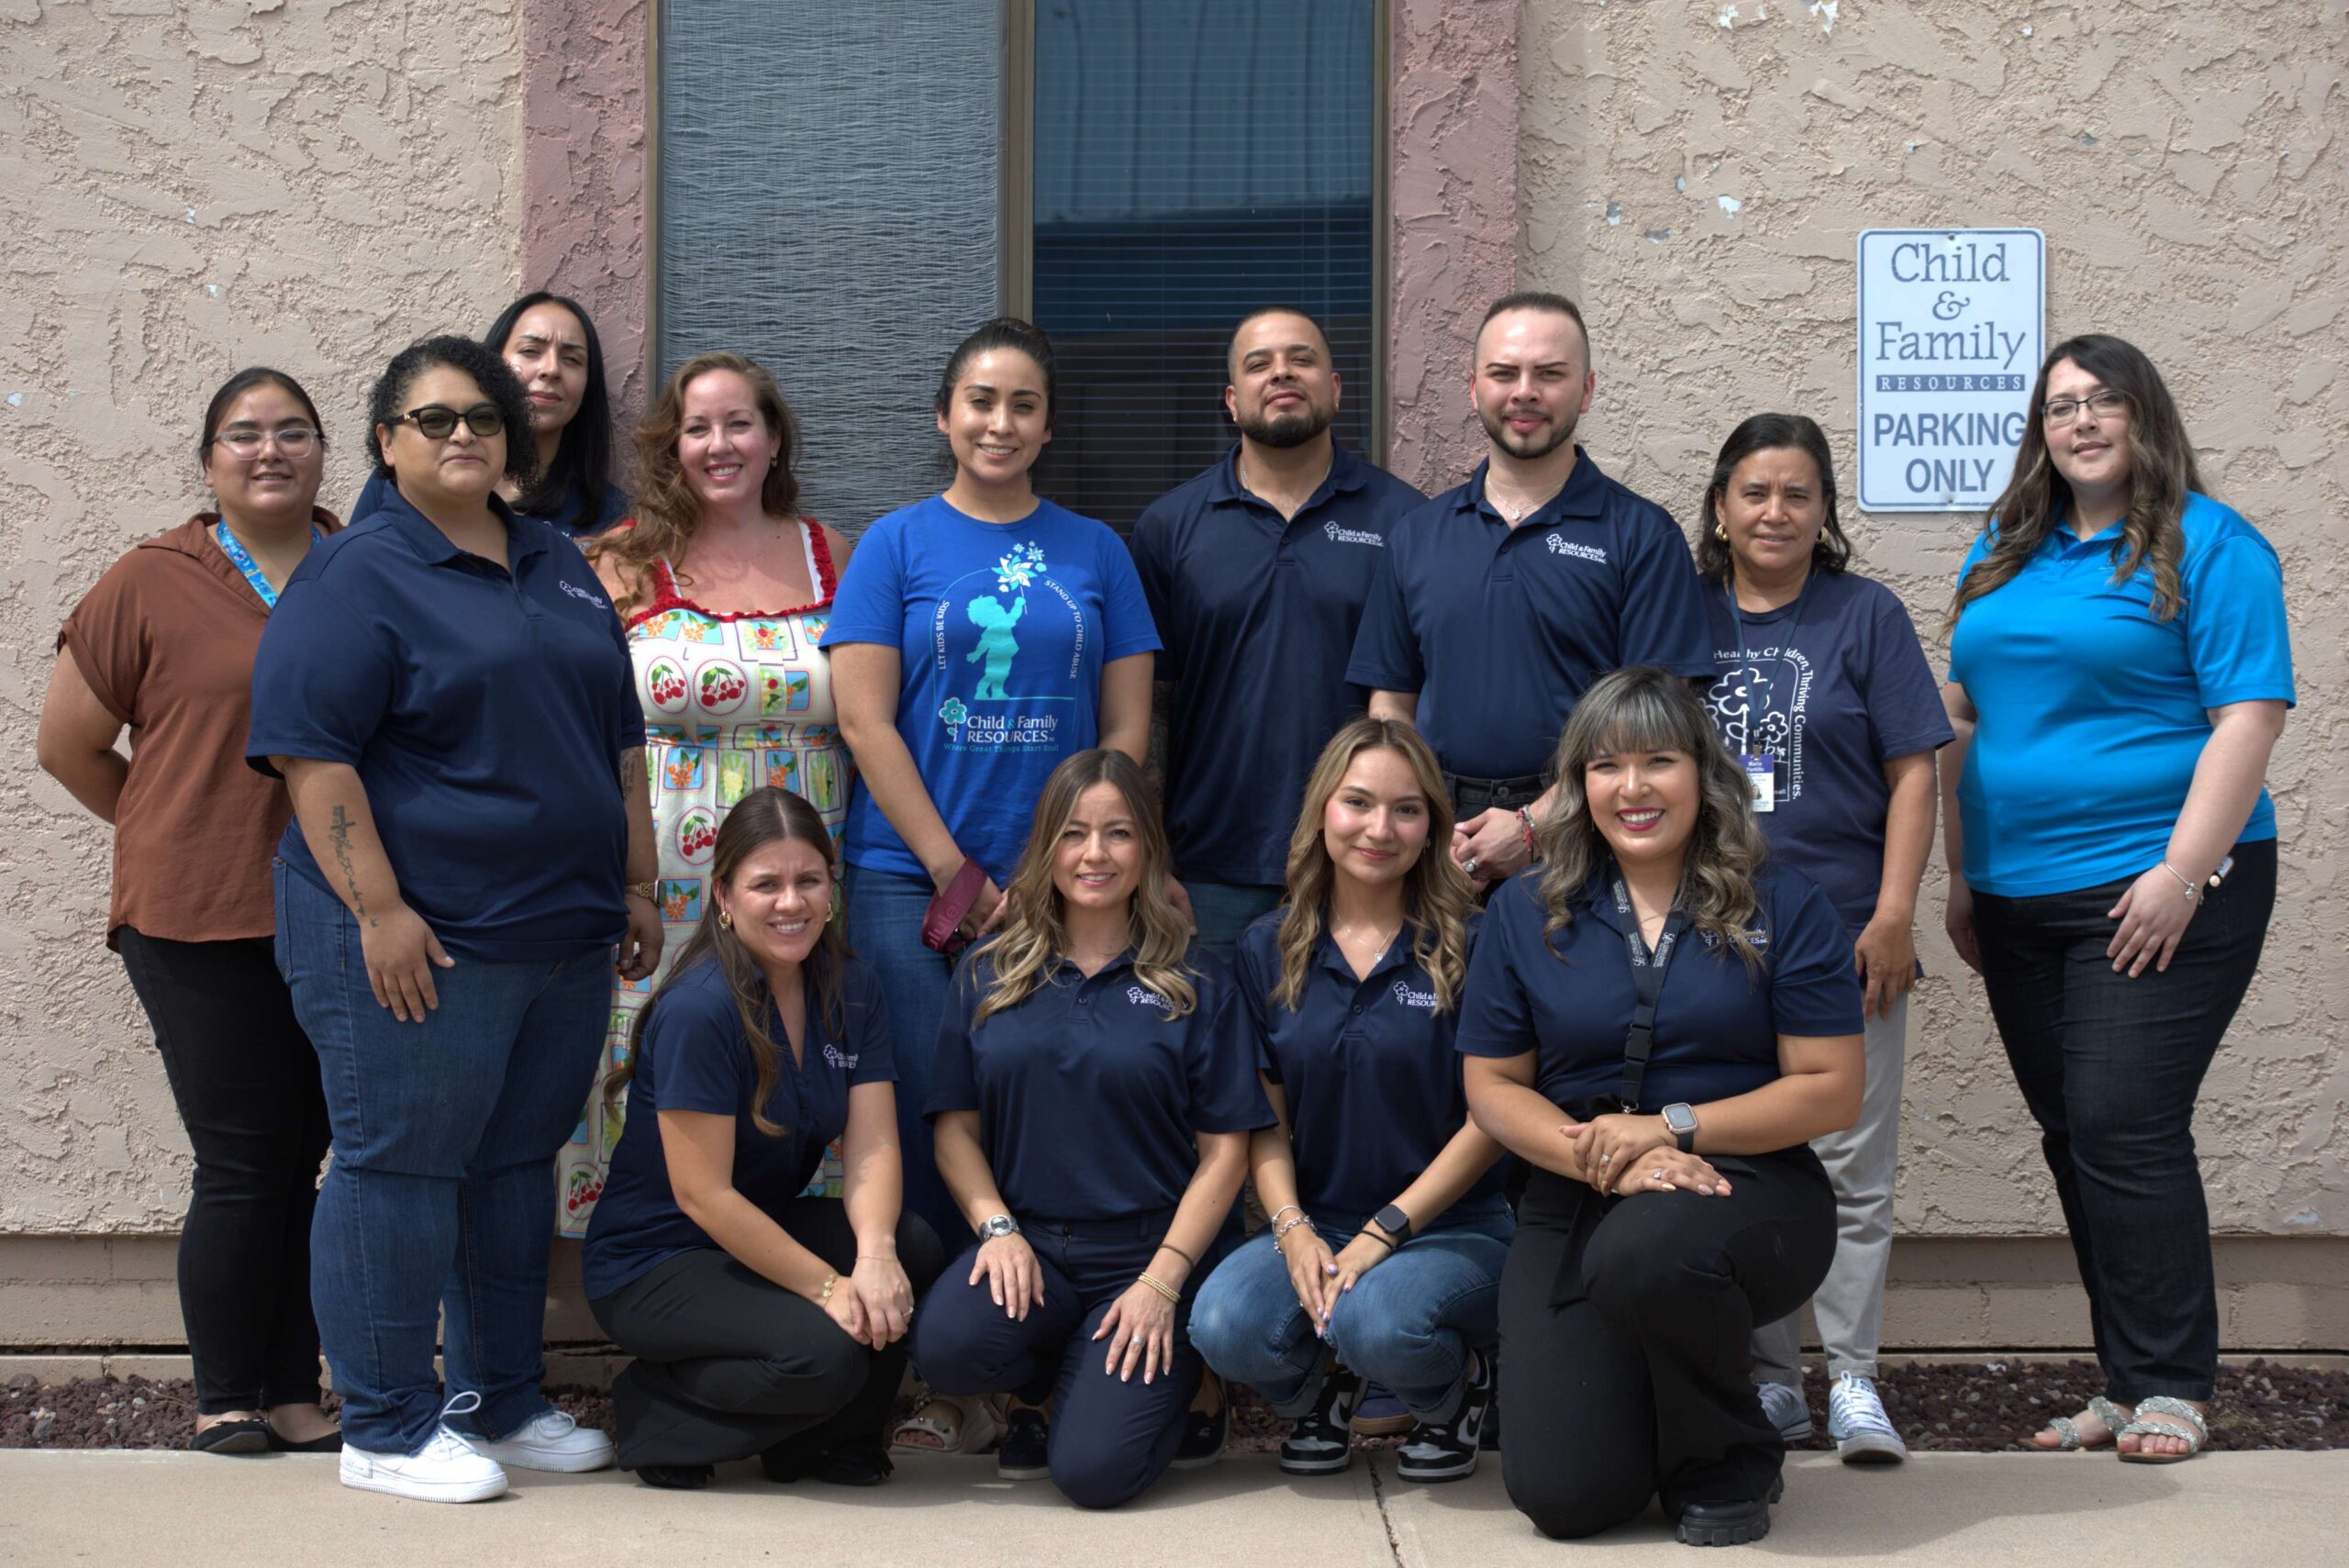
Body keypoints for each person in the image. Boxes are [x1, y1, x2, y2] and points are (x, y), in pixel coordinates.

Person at [248, 335, 662, 1503]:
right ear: (387, 440)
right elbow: (313, 757)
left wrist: (635, 882)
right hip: (422, 937)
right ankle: (385, 1423)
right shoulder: (354, 574)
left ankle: (499, 1402)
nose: (464, 434)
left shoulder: (556, 558)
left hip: (562, 933)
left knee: (513, 1167)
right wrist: (377, 909)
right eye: (434, 418)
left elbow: (618, 736)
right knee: (398, 1165)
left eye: (483, 416)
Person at [1942, 335, 2292, 1464]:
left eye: (2103, 401)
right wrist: (1958, 872)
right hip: (2013, 891)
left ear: (2145, 414)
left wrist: (2179, 874)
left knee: (2122, 1126)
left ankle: (2173, 1383)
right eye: (2059, 407)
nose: (2081, 421)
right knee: (2073, 1135)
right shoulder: (2005, 547)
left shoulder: (2211, 542)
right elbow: (1963, 714)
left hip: (2156, 882)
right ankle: (2126, 1377)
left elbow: (2247, 716)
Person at [1457, 666, 1864, 1546]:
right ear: (1579, 785)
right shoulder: (1525, 911)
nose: (1632, 787)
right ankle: (1649, 1402)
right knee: (1565, 1496)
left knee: (1648, 1250)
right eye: (1606, 765)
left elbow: (1832, 1085)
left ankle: (1726, 1456)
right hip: (1576, 1189)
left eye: (1658, 761)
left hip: (1743, 1185)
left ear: (1703, 773)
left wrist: (1672, 1128)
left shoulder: (1782, 900)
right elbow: (1492, 1086)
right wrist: (1614, 1160)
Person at [37, 368, 342, 1456]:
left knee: (311, 1157)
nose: (270, 450)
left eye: (293, 431)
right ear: (209, 461)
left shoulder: (362, 567)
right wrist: (168, 825)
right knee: (245, 1158)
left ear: (324, 452)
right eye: (243, 434)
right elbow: (68, 743)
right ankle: (225, 1393)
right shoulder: (151, 579)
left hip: (337, 910)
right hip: (196, 915)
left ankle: (293, 1387)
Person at [824, 317, 1160, 1253]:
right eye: (980, 401)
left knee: (1041, 1094)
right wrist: (954, 873)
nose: (1000, 423)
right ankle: (933, 1310)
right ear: (944, 415)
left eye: (1023, 405)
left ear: (1048, 427)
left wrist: (1071, 858)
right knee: (922, 1099)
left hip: (1064, 879)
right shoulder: (894, 544)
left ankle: (1032, 1295)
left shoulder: (1097, 551)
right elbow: (864, 721)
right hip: (908, 879)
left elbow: (1127, 730)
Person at [905, 750, 1268, 1508]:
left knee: (1093, 1475)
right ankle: (1042, 1386)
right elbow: (955, 1130)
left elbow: (1225, 1154)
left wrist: (1162, 1283)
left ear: (1148, 849)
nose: (1094, 853)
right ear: (1046, 846)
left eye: (1118, 833)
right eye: (1073, 833)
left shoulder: (1197, 981)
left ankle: (1191, 1383)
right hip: (1031, 1249)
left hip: (1148, 1254)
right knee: (946, 1347)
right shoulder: (988, 972)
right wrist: (996, 1227)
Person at [1693, 414, 1953, 1463]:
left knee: (1851, 1161)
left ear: (1824, 510)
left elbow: (1913, 771)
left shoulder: (1866, 615)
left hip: (1844, 935)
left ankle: (1851, 1378)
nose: (1775, 511)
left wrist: (1893, 914)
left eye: (1797, 493)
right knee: (1741, 1153)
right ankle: (1768, 1381)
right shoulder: (1682, 613)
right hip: (1712, 938)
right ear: (1720, 506)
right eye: (1754, 491)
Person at [556, 351, 856, 1238]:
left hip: (806, 860)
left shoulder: (835, 555)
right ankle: (641, 1255)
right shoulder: (622, 560)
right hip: (668, 863)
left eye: (739, 424)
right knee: (656, 1044)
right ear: (671, 446)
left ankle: (791, 1245)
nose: (719, 444)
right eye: (697, 428)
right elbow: (583, 725)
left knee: (794, 1037)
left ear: (775, 438)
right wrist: (621, 875)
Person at [584, 787, 945, 1489]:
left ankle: (821, 1442)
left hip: (757, 1232)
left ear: (832, 888)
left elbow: (872, 1146)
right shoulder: (700, 1008)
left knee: (912, 1246)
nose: (790, 902)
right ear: (724, 895)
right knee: (825, 1354)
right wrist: (828, 1287)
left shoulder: (852, 987)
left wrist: (873, 1255)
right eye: (765, 884)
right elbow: (704, 1196)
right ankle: (656, 1411)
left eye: (808, 879)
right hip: (656, 1260)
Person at [1187, 718, 1508, 1482]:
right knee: (1222, 1322)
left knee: (1380, 1320)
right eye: (1358, 802)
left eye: (1406, 809)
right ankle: (1326, 1387)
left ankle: (1455, 1392)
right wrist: (1292, 1227)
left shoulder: (1474, 942)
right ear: (1322, 811)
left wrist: (1386, 1231)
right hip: (1324, 1219)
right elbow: (1264, 1119)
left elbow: (1492, 1117)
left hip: (1454, 1226)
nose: (1379, 828)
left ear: (1432, 825)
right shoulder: (1268, 947)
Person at [1347, 291, 1716, 893]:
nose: (1525, 392)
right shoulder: (1417, 536)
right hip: (1438, 839)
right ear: (1474, 389)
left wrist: (1535, 824)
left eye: (1549, 374)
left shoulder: (1641, 535)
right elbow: (1391, 704)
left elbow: (1659, 719)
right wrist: (1422, 820)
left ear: (1587, 390)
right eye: (1504, 373)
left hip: (1588, 834)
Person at [1130, 306, 1427, 951]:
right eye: (1259, 364)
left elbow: (1419, 697)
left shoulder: (1406, 521)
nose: (1282, 373)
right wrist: (1150, 856)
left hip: (1360, 862)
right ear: (1232, 401)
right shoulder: (1168, 528)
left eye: (1302, 359)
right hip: (1206, 872)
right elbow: (1152, 707)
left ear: (1336, 389)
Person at [348, 291, 629, 537]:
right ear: (492, 366)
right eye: (530, 351)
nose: (551, 369)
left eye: (572, 359)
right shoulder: (405, 477)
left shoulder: (611, 514)